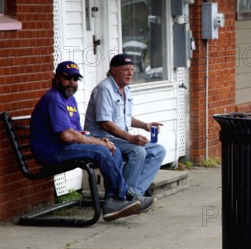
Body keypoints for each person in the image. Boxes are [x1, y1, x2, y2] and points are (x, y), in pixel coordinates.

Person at [29, 61, 141, 222]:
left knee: (112, 149)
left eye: (75, 79)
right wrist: (99, 144)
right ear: (57, 79)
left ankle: (112, 202)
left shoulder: (70, 99)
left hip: (65, 147)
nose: (71, 82)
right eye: (67, 78)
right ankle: (126, 195)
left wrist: (97, 140)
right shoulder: (54, 99)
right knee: (102, 150)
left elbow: (78, 132)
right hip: (51, 152)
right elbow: (67, 135)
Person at [84, 54, 165, 211]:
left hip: (121, 138)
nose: (130, 73)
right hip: (103, 138)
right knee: (138, 151)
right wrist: (131, 138)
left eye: (132, 70)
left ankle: (134, 196)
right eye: (126, 70)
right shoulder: (104, 89)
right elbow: (105, 123)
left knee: (158, 150)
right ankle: (123, 198)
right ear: (114, 71)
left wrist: (144, 125)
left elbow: (125, 117)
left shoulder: (126, 89)